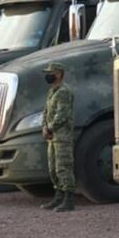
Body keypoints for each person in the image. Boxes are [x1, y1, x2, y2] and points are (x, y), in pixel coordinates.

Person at [40, 62, 76, 212]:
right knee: (53, 167)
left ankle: (69, 199)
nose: (48, 75)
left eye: (51, 72)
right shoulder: (52, 91)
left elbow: (62, 114)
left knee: (63, 167)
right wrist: (44, 127)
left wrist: (50, 127)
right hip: (52, 137)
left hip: (62, 136)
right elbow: (46, 112)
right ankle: (59, 196)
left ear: (59, 74)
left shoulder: (64, 92)